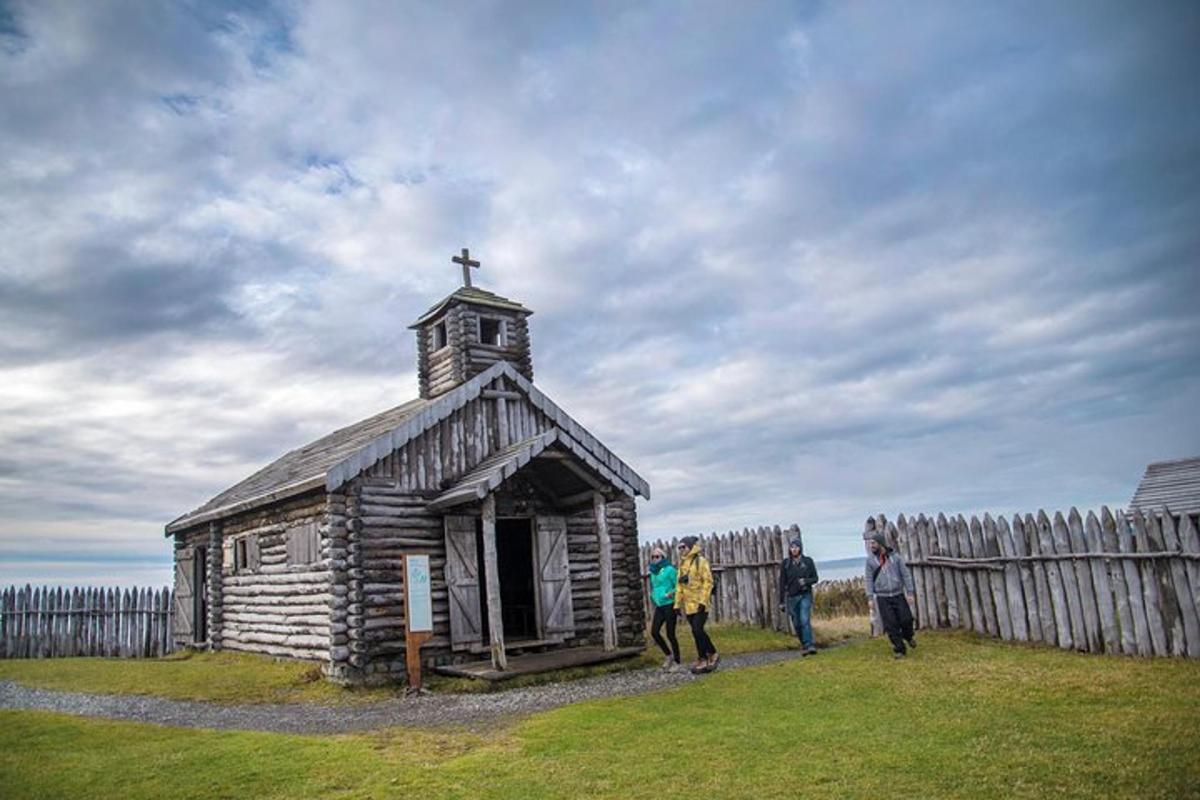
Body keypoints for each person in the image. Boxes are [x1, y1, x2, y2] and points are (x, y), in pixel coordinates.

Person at [865, 531, 917, 658]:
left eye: (873, 543)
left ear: (880, 544)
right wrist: (870, 597)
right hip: (883, 597)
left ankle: (908, 636)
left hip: (898, 594)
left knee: (906, 619)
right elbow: (868, 579)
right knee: (891, 625)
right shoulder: (870, 561)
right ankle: (899, 649)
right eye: (870, 543)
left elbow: (905, 575)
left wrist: (910, 592)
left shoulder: (896, 558)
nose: (871, 546)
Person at [675, 535, 718, 673]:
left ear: (691, 547)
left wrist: (703, 601)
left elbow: (708, 582)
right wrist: (677, 605)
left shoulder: (701, 561)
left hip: (700, 603)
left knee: (697, 629)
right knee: (696, 632)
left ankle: (703, 658)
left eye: (684, 547)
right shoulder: (682, 565)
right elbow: (679, 586)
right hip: (688, 605)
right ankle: (712, 652)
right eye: (679, 548)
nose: (681, 550)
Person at [778, 537, 818, 655]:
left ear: (800, 548)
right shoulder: (786, 564)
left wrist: (806, 581)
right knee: (796, 623)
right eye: (792, 547)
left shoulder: (808, 561)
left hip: (805, 595)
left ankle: (809, 645)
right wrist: (781, 601)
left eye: (796, 547)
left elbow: (815, 578)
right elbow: (782, 583)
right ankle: (804, 644)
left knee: (804, 619)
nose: (794, 549)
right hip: (791, 597)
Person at [647, 546, 681, 670]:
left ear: (663, 557)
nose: (655, 559)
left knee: (670, 634)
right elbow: (655, 586)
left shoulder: (670, 570)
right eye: (653, 557)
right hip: (660, 605)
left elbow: (679, 586)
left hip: (670, 604)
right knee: (654, 632)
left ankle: (677, 662)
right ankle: (669, 655)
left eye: (657, 556)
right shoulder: (653, 572)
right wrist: (654, 596)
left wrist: (670, 593)